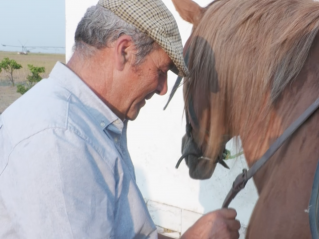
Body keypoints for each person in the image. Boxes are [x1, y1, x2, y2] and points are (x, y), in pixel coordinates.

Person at [0, 0, 241, 238]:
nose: (163, 89)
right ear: (124, 51)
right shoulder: (59, 141)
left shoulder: (86, 125)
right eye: (161, 71)